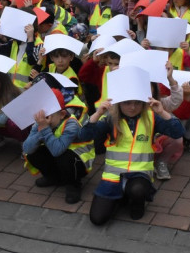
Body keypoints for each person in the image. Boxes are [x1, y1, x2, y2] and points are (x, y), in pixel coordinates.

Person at [77, 96, 184, 226]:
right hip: (113, 176)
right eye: (127, 103)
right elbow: (84, 135)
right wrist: (98, 113)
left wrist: (162, 112)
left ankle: (137, 202)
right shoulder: (110, 118)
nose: (132, 107)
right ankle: (120, 197)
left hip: (140, 174)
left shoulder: (152, 117)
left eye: (137, 103)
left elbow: (178, 132)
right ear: (119, 103)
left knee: (137, 191)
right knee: (97, 219)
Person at [22, 88, 94, 204]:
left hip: (77, 161)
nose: (45, 119)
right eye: (43, 115)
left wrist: (45, 129)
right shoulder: (41, 121)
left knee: (64, 157)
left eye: (49, 116)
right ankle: (54, 177)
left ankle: (73, 184)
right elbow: (27, 148)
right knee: (33, 153)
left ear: (62, 114)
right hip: (58, 154)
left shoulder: (71, 124)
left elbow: (57, 150)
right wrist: (41, 129)